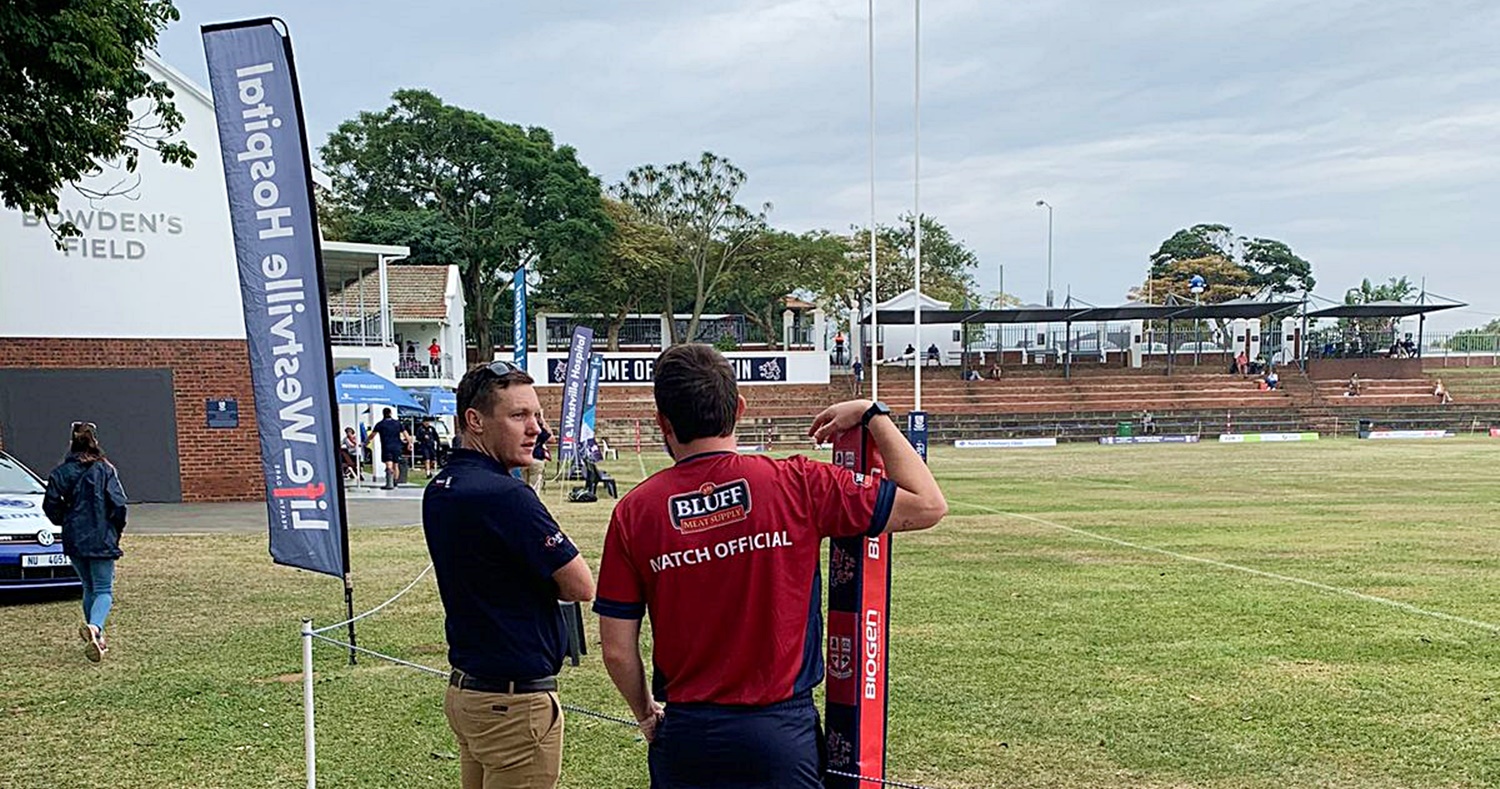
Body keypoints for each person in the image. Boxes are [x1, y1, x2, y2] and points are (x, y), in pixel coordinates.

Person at [594, 344, 947, 788]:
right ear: (740, 409)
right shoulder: (797, 482)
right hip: (780, 737)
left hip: (688, 737)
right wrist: (873, 414)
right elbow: (928, 504)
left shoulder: (633, 512)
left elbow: (616, 649)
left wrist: (645, 713)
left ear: (662, 422)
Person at [423, 361, 596, 789]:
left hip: (470, 692)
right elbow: (580, 584)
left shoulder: (442, 487)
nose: (536, 428)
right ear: (475, 421)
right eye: (519, 416)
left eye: (536, 415)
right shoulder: (506, 496)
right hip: (514, 703)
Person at [42, 422, 128, 663]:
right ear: (95, 441)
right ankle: (96, 627)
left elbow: (50, 505)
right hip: (101, 535)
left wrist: (65, 520)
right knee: (103, 589)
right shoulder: (105, 470)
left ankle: (97, 640)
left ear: (72, 442)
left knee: (88, 586)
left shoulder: (60, 473)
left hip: (74, 536)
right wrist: (115, 528)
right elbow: (118, 504)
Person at [367, 408, 406, 489]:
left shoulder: (380, 424)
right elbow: (405, 434)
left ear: (383, 414)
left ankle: (389, 483)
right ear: (391, 413)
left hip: (386, 446)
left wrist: (366, 441)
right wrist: (409, 443)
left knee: (389, 465)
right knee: (396, 465)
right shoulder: (397, 423)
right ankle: (395, 482)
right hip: (397, 446)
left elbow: (372, 435)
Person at [525, 409, 553, 494]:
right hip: (536, 458)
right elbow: (551, 438)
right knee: (534, 486)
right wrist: (543, 421)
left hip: (523, 458)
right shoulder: (539, 429)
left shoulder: (522, 428)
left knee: (522, 484)